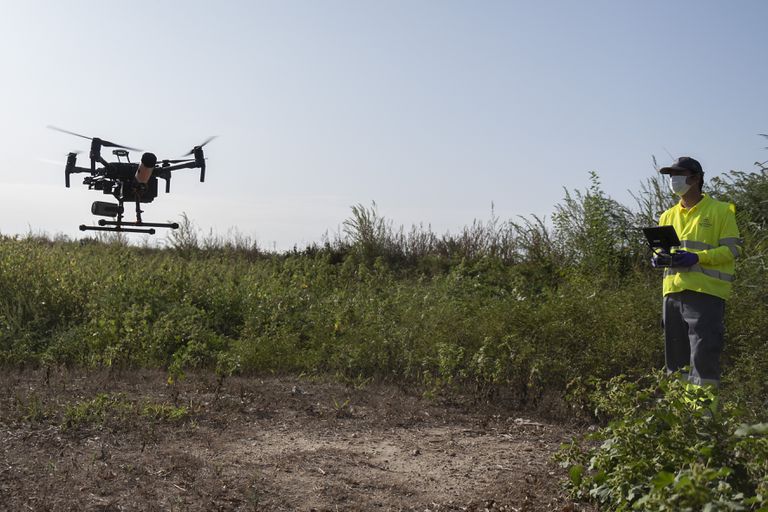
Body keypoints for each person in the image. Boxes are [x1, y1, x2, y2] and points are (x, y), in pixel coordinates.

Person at [654, 156, 742, 388]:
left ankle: (703, 419)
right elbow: (666, 249)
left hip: (706, 294)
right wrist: (659, 258)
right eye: (671, 176)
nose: (673, 180)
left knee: (703, 360)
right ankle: (680, 421)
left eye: (678, 175)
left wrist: (698, 257)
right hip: (672, 294)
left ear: (696, 178)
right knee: (675, 364)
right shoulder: (667, 216)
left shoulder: (721, 211)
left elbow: (733, 250)